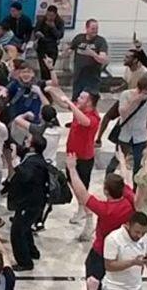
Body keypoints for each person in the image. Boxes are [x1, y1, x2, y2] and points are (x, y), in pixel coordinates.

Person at [66, 151, 135, 290]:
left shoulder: (105, 210)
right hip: (122, 251)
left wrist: (72, 169)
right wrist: (121, 161)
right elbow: (127, 179)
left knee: (93, 279)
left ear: (106, 191)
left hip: (101, 250)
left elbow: (82, 194)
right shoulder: (129, 200)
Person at [53, 89, 101, 239]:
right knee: (73, 184)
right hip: (71, 156)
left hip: (83, 159)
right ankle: (81, 209)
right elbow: (63, 103)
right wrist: (51, 90)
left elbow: (84, 121)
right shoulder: (78, 108)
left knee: (82, 189)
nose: (78, 99)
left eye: (82, 97)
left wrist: (70, 104)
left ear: (90, 102)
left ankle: (88, 218)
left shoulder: (93, 118)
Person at [4, 133, 50, 271]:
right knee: (25, 228)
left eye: (28, 140)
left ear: (32, 147)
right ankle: (32, 251)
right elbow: (18, 147)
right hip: (31, 201)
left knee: (17, 232)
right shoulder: (34, 156)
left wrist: (15, 162)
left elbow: (25, 176)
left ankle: (25, 262)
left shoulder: (34, 164)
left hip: (30, 203)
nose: (25, 140)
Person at [95, 49, 147, 147]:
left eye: (127, 57)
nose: (124, 59)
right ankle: (98, 139)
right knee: (107, 116)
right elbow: (126, 83)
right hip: (125, 98)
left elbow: (146, 89)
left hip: (136, 101)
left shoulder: (144, 73)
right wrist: (116, 89)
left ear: (135, 60)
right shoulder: (128, 69)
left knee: (126, 123)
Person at [102, 212, 147, 290]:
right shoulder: (113, 239)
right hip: (114, 287)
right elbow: (109, 266)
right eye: (137, 232)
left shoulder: (144, 238)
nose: (140, 236)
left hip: (136, 286)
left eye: (143, 233)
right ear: (128, 225)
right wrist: (133, 262)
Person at [114, 75, 147, 176]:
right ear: (138, 90)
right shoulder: (126, 95)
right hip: (125, 133)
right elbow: (123, 114)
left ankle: (135, 188)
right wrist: (135, 100)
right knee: (117, 159)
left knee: (138, 163)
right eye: (145, 93)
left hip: (141, 135)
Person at [62, 19, 109, 100]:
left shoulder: (101, 41)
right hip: (78, 76)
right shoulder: (79, 38)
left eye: (96, 29)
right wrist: (65, 51)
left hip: (92, 78)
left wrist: (92, 54)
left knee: (89, 102)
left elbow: (103, 59)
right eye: (93, 29)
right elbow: (68, 51)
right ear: (86, 28)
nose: (95, 31)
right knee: (76, 100)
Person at [33, 5, 65, 80]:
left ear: (55, 15)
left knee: (50, 68)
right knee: (43, 68)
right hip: (42, 47)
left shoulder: (59, 22)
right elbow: (36, 31)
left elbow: (60, 35)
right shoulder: (41, 20)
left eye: (52, 15)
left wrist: (53, 27)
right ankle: (43, 85)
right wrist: (37, 34)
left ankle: (50, 84)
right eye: (48, 15)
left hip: (52, 47)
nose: (49, 17)